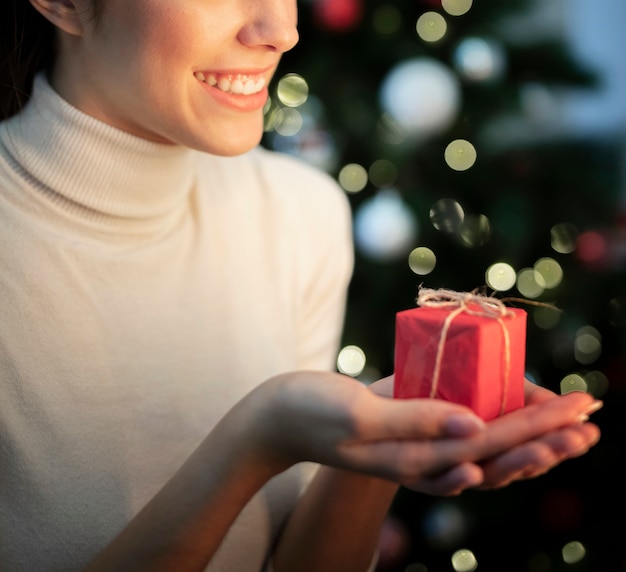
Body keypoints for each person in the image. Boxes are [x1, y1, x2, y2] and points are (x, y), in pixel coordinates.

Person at [0, 1, 602, 571]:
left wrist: (378, 442)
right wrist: (256, 442)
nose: (281, 30)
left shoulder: (300, 212)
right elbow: (267, 434)